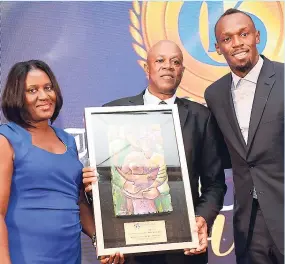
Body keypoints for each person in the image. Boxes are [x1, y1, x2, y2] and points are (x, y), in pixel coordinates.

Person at [83, 40, 227, 264]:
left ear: (182, 71)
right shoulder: (112, 115)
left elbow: (215, 183)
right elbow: (102, 185)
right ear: (146, 67)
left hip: (184, 249)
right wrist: (94, 186)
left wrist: (201, 218)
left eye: (175, 62)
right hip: (129, 249)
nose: (168, 66)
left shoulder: (201, 117)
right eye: (160, 60)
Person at [204, 8, 284, 264]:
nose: (237, 43)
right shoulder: (214, 95)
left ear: (257, 36)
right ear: (218, 48)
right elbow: (221, 156)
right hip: (248, 222)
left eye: (243, 34)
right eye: (227, 39)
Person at [0, 60, 95, 264]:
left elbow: (77, 202)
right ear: (18, 96)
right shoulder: (6, 139)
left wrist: (101, 240)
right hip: (25, 255)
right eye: (32, 90)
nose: (44, 96)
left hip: (69, 254)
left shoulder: (68, 141)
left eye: (48, 87)